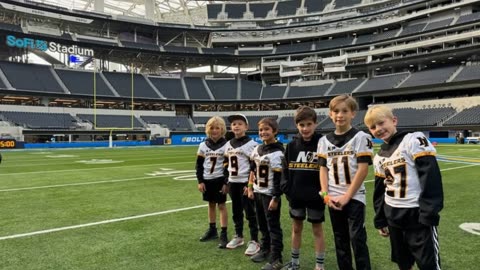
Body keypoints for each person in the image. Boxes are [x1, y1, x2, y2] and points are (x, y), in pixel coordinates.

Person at [364, 104, 443, 270]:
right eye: (372, 127)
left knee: (428, 264)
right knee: (403, 262)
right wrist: (380, 219)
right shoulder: (379, 156)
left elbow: (430, 176)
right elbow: (380, 190)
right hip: (393, 215)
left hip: (417, 214)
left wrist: (429, 210)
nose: (378, 129)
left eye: (381, 123)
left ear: (394, 120)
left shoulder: (413, 140)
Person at [317, 95, 373, 270]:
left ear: (353, 114)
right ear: (330, 114)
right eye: (336, 111)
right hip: (333, 196)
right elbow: (323, 169)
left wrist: (348, 196)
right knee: (340, 238)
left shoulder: (361, 137)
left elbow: (363, 169)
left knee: (357, 238)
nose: (340, 115)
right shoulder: (323, 141)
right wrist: (325, 194)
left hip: (354, 196)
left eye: (344, 111)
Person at [281, 106, 326, 270]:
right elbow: (285, 170)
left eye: (308, 124)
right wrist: (287, 188)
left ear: (315, 124)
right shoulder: (291, 145)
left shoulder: (323, 143)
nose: (305, 128)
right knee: (296, 228)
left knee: (317, 230)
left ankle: (319, 265)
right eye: (301, 125)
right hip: (296, 195)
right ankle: (294, 263)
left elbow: (327, 169)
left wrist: (323, 191)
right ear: (296, 125)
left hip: (316, 196)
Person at [247, 117, 285, 270]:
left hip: (270, 194)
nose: (263, 132)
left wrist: (276, 197)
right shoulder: (257, 149)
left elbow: (279, 179)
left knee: (273, 226)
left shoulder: (279, 151)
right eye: (261, 130)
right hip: (257, 191)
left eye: (267, 129)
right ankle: (265, 248)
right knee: (262, 223)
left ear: (274, 131)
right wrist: (250, 187)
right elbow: (253, 170)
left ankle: (277, 257)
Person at [224, 113, 261, 256]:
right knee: (236, 211)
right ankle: (238, 236)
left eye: (239, 123)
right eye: (234, 124)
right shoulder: (229, 144)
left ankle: (254, 240)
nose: (236, 126)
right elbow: (226, 163)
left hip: (245, 182)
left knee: (250, 212)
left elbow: (254, 166)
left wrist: (250, 184)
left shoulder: (252, 145)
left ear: (246, 127)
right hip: (233, 182)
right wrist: (226, 180)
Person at [195, 116, 229, 248]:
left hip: (220, 179)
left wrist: (226, 182)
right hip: (207, 179)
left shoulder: (226, 145)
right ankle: (212, 229)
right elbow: (199, 165)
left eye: (217, 128)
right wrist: (200, 181)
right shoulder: (203, 145)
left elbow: (228, 166)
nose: (214, 131)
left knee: (221, 205)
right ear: (208, 129)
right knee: (211, 204)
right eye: (212, 128)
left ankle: (224, 232)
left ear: (222, 130)